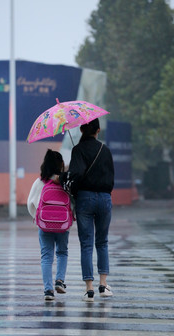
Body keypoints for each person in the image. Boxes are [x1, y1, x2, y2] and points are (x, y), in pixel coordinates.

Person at [59, 118, 114, 302]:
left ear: (82, 130)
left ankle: (89, 289)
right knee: (102, 242)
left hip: (85, 198)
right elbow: (111, 179)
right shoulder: (105, 150)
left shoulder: (78, 150)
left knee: (87, 244)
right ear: (98, 130)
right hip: (105, 198)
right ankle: (103, 285)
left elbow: (74, 177)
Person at [27, 149, 69, 301]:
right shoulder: (65, 183)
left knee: (46, 257)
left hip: (44, 225)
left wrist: (38, 218)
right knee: (62, 252)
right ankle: (60, 280)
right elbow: (73, 204)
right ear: (60, 165)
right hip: (63, 225)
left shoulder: (39, 182)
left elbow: (30, 203)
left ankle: (48, 290)